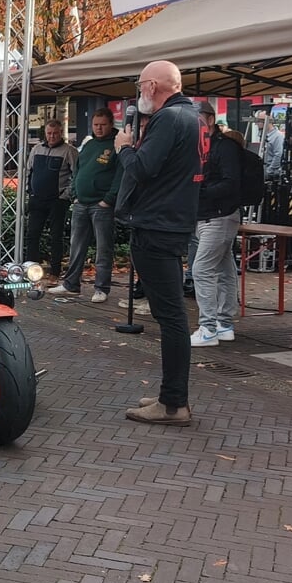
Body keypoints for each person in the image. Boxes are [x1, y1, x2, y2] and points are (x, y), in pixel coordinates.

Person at [117, 60, 202, 427]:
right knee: (170, 317)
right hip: (170, 223)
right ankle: (172, 395)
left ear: (152, 86)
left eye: (140, 86)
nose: (139, 93)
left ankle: (173, 403)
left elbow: (142, 168)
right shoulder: (192, 117)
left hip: (157, 227)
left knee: (170, 318)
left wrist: (124, 148)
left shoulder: (168, 119)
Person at [188, 104, 246, 346]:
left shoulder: (224, 147)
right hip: (209, 215)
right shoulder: (200, 146)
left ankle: (209, 327)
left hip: (219, 215)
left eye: (198, 119)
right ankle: (223, 324)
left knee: (201, 269)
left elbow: (231, 181)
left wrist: (202, 191)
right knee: (223, 268)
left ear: (209, 120)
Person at [52, 107, 120, 303]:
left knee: (103, 248)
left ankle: (101, 288)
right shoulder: (88, 146)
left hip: (102, 205)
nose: (98, 128)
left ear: (110, 125)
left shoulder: (116, 145)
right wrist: (75, 194)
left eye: (102, 125)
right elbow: (77, 171)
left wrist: (108, 199)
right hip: (82, 203)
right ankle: (71, 284)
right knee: (76, 246)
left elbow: (120, 176)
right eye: (95, 125)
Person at [23, 119, 78, 280]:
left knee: (56, 237)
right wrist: (29, 190)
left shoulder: (70, 151)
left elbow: (76, 176)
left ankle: (55, 272)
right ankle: (30, 271)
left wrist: (65, 196)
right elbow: (28, 171)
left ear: (61, 133)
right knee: (32, 235)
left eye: (55, 133)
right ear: (45, 133)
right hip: (37, 199)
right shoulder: (36, 149)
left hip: (57, 201)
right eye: (49, 133)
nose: (52, 136)